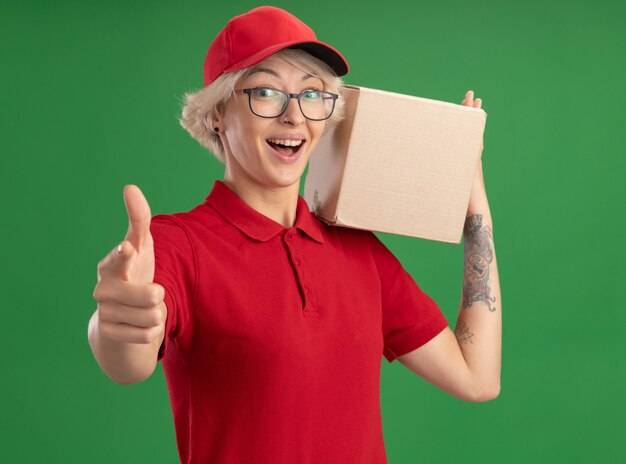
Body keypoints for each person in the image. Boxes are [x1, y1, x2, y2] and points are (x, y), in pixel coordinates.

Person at [87, 6, 501, 463]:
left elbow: (476, 377)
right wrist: (118, 323)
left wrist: (474, 201)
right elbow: (127, 359)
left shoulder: (358, 250)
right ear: (218, 113)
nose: (294, 116)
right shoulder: (179, 244)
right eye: (266, 92)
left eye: (313, 94)